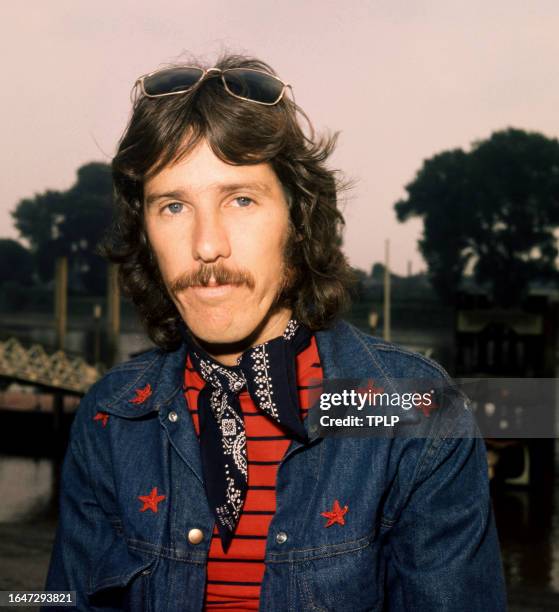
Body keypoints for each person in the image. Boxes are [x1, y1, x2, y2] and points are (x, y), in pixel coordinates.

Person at [44, 54, 507, 611]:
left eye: (240, 200)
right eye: (172, 206)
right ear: (145, 233)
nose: (207, 245)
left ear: (298, 220)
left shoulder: (416, 413)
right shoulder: (110, 418)